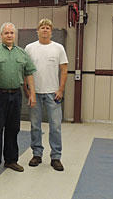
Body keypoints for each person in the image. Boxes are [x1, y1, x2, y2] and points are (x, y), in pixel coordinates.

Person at [0, 22, 37, 175]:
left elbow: (29, 73)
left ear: (15, 35)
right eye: (6, 33)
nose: (9, 35)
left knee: (13, 129)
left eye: (11, 33)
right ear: (1, 35)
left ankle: (11, 160)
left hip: (16, 95)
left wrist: (32, 93)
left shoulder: (22, 53)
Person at [24, 18, 68, 171]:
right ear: (37, 31)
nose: (44, 30)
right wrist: (28, 90)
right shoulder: (29, 48)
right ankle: (37, 154)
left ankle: (56, 157)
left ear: (51, 31)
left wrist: (61, 89)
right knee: (35, 125)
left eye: (47, 28)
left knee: (55, 127)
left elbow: (64, 70)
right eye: (42, 27)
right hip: (35, 93)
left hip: (53, 94)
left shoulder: (58, 48)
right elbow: (25, 70)